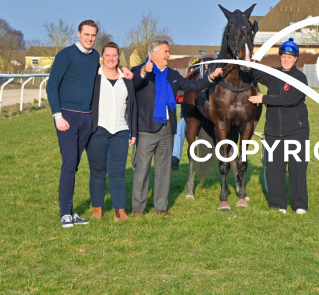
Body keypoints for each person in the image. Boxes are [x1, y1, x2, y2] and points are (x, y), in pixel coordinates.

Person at [47, 20, 132, 228]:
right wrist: (57, 115)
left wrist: (123, 68)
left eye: (93, 35)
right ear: (78, 34)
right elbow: (52, 86)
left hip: (88, 119)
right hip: (68, 117)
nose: (90, 38)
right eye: (86, 34)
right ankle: (65, 213)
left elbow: (108, 65)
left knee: (76, 165)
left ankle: (72, 212)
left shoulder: (94, 56)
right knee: (69, 164)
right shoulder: (65, 55)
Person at [131, 40, 222, 216]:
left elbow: (193, 86)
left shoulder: (172, 74)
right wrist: (143, 71)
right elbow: (133, 83)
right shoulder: (139, 71)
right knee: (142, 170)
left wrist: (211, 77)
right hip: (146, 129)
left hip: (167, 129)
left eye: (169, 51)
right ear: (153, 54)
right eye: (165, 52)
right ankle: (138, 209)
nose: (169, 55)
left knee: (164, 170)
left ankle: (160, 207)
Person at [248, 38, 310, 214]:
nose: (286, 60)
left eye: (289, 57)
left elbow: (289, 99)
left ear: (295, 58)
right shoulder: (274, 74)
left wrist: (264, 99)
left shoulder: (300, 77)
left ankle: (299, 205)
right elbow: (257, 73)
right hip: (274, 130)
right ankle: (278, 205)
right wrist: (252, 61)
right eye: (283, 56)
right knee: (274, 169)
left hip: (297, 130)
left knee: (297, 169)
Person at [86, 42, 137, 222]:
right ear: (102, 57)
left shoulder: (126, 78)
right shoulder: (94, 76)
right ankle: (97, 209)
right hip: (97, 130)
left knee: (118, 172)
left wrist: (133, 132)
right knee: (97, 171)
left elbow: (132, 106)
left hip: (121, 131)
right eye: (107, 55)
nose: (111, 58)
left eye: (114, 55)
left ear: (118, 57)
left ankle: (119, 211)